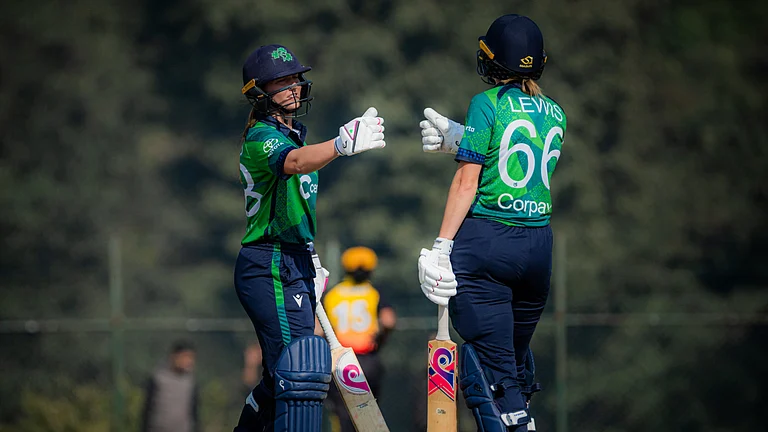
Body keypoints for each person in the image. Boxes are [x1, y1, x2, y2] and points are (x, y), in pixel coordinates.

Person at [417, 14, 565, 432]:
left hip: (487, 244)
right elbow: (514, 156)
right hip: (538, 249)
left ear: (493, 59)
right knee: (513, 367)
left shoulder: (488, 103)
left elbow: (469, 180)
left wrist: (443, 244)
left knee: (489, 375)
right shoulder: (556, 112)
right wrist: (461, 138)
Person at [233, 44, 386, 432]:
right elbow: (294, 164)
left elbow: (296, 204)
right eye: (280, 82)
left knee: (287, 373)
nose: (293, 88)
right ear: (258, 91)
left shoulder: (297, 136)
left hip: (295, 258)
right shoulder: (261, 138)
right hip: (268, 262)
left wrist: (310, 255)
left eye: (294, 79)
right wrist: (340, 145)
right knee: (297, 370)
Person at [320, 246, 397, 432]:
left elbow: (317, 329)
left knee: (341, 413)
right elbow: (388, 321)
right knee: (369, 410)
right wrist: (380, 341)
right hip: (367, 360)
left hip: (340, 361)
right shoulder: (374, 292)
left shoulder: (332, 294)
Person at [141, 340, 199, 432]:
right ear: (174, 357)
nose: (188, 361)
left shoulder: (190, 382)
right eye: (184, 357)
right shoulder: (158, 379)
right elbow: (147, 410)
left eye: (191, 358)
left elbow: (194, 412)